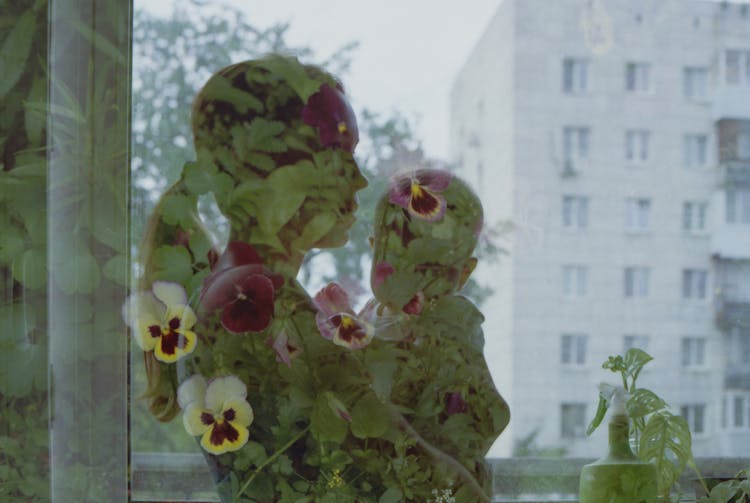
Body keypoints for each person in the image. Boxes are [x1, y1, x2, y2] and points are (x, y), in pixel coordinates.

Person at [363, 168, 511, 499]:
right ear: (373, 251)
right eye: (395, 263)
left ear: (464, 274)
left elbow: (481, 411)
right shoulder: (369, 314)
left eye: (431, 270)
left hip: (441, 479)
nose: (411, 282)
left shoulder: (454, 320)